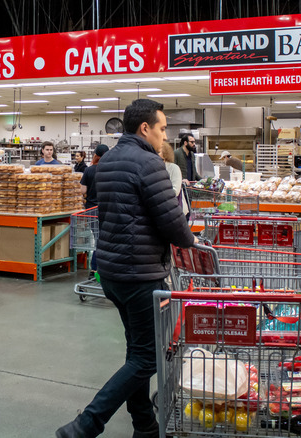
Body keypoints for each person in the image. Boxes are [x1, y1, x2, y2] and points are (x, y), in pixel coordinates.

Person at [56, 99, 195, 438]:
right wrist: (190, 239)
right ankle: (85, 426)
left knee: (137, 352)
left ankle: (144, 426)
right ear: (145, 128)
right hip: (141, 273)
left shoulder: (109, 161)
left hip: (112, 272)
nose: (165, 136)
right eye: (162, 129)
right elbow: (171, 222)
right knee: (147, 359)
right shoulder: (149, 163)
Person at [79, 144, 109, 277]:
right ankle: (99, 268)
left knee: (98, 239)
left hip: (91, 209)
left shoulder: (89, 170)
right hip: (106, 209)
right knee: (104, 239)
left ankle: (95, 269)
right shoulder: (110, 170)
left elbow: (83, 190)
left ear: (95, 155)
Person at [160, 141, 189, 218]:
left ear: (165, 153)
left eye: (158, 151)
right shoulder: (152, 169)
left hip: (176, 212)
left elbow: (175, 191)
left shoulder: (173, 168)